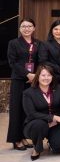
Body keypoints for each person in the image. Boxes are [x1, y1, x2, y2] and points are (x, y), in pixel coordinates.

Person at [22, 65, 60, 160]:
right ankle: (37, 148)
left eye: (49, 75)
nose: (46, 78)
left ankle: (52, 143)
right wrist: (53, 118)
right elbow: (31, 114)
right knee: (39, 125)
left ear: (52, 77)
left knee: (58, 145)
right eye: (43, 75)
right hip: (36, 124)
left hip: (55, 124)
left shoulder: (59, 88)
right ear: (38, 76)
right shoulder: (28, 93)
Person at [7, 18, 40, 150]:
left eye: (29, 26)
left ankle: (24, 136)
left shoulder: (38, 43)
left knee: (27, 109)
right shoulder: (13, 43)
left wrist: (35, 76)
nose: (27, 29)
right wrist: (27, 74)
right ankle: (16, 139)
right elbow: (13, 62)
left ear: (34, 28)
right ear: (20, 28)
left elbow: (40, 61)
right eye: (24, 26)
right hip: (19, 80)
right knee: (16, 109)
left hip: (33, 81)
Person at [38, 19, 60, 93]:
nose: (58, 31)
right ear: (51, 30)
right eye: (56, 29)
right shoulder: (45, 44)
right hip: (53, 78)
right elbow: (43, 61)